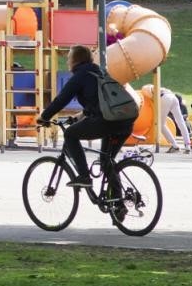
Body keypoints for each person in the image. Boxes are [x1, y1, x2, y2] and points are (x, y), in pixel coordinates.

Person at [37, 44, 136, 192]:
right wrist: (80, 116)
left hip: (106, 122)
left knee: (70, 134)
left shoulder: (80, 75)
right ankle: (118, 204)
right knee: (106, 161)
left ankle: (84, 177)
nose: (67, 61)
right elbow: (100, 102)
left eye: (69, 58)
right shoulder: (99, 71)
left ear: (76, 60)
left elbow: (61, 99)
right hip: (125, 121)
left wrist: (44, 117)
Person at [159, 86, 192, 153]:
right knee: (181, 121)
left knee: (160, 124)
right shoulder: (156, 87)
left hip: (164, 97)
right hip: (173, 96)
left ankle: (175, 145)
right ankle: (188, 145)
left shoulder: (147, 91)